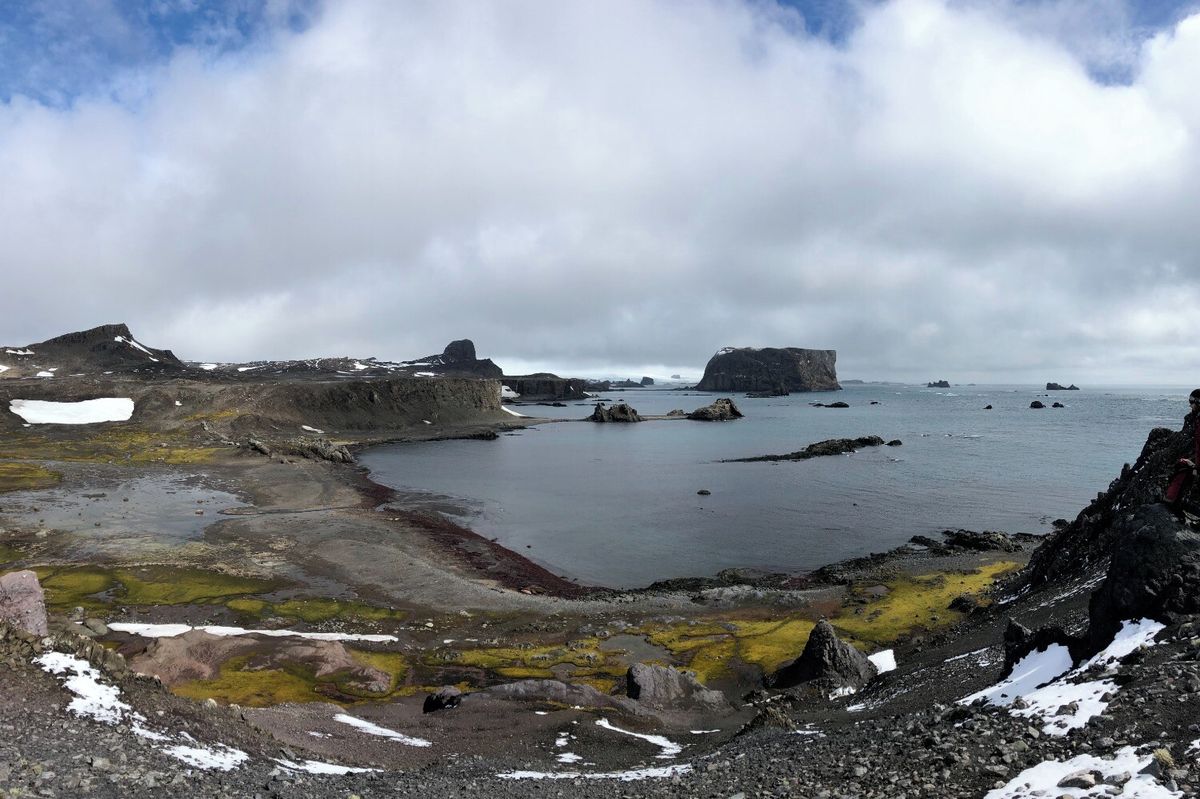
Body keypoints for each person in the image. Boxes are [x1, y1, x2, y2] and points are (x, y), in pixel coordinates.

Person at [1165, 388, 1200, 519]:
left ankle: (1173, 503)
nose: (1190, 405)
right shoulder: (1195, 418)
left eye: (1192, 402)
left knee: (1183, 469)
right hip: (1195, 457)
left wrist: (1196, 466)